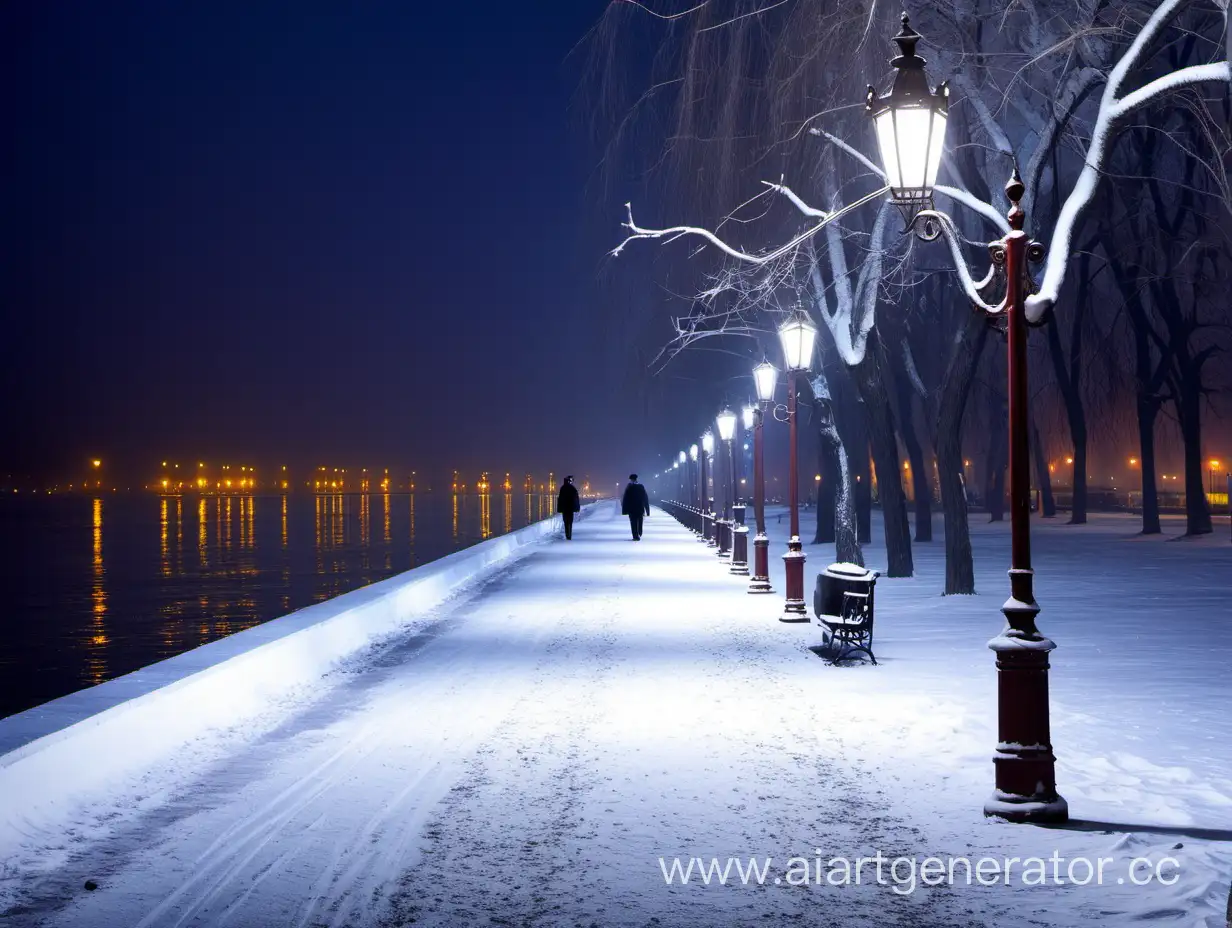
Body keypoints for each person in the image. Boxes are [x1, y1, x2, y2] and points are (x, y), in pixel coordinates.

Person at [621, 473, 650, 541]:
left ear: (631, 479)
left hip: (632, 509)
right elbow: (645, 498)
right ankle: (639, 532)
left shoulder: (629, 487)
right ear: (636, 479)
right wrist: (647, 510)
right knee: (640, 521)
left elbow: (625, 499)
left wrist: (624, 510)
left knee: (633, 522)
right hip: (640, 508)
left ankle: (635, 536)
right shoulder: (641, 486)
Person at [557, 475, 580, 540]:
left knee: (566, 522)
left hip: (565, 508)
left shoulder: (563, 488)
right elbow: (576, 499)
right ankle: (569, 536)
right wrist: (577, 508)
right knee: (570, 522)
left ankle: (568, 536)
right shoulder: (572, 488)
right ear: (570, 480)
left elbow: (560, 499)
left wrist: (559, 509)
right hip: (570, 508)